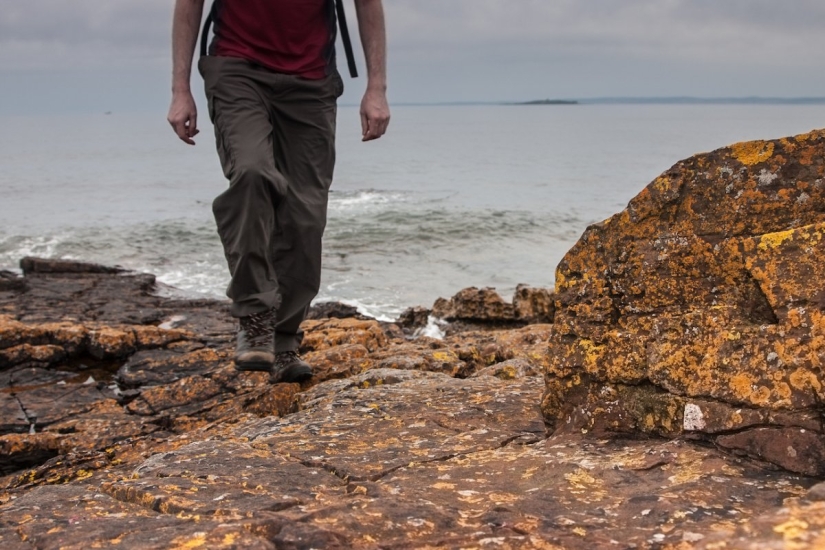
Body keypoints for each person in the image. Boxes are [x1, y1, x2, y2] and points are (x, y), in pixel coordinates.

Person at [167, 0, 389, 382]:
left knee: (305, 217)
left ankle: (284, 340)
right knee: (252, 173)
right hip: (236, 70)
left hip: (312, 81)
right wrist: (180, 89)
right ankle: (254, 316)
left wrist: (376, 88)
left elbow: (367, 4)